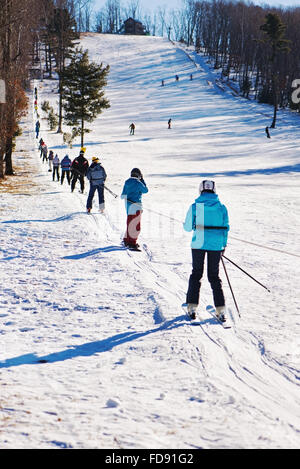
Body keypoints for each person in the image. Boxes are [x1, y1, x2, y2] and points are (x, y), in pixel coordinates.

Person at [183, 180, 229, 321]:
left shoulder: (196, 206)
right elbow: (226, 228)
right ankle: (220, 309)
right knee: (214, 276)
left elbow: (187, 228)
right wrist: (223, 245)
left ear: (200, 190)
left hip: (198, 244)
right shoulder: (221, 207)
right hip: (215, 245)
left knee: (196, 274)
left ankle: (192, 306)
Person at [121, 168, 148, 251]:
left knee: (130, 223)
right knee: (136, 225)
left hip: (128, 206)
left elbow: (123, 195)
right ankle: (132, 243)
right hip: (136, 206)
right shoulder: (138, 182)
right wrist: (142, 180)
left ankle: (127, 240)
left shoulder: (127, 182)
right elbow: (146, 190)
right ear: (138, 175)